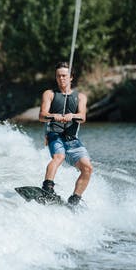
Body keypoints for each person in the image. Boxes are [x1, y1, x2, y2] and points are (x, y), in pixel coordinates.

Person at [38, 61, 93, 206]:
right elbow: (42, 115)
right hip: (54, 135)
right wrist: (53, 116)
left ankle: (75, 199)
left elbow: (82, 117)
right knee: (59, 156)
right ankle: (47, 188)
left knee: (87, 168)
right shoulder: (49, 94)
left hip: (72, 140)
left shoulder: (80, 97)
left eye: (64, 76)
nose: (61, 79)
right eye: (58, 76)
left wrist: (72, 116)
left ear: (71, 77)